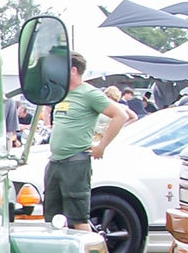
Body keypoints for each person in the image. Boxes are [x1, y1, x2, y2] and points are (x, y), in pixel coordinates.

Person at [42, 53, 128, 232]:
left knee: (77, 217)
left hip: (75, 162)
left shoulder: (89, 94)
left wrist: (101, 146)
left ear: (73, 70)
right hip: (55, 161)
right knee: (52, 218)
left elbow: (120, 115)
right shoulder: (62, 94)